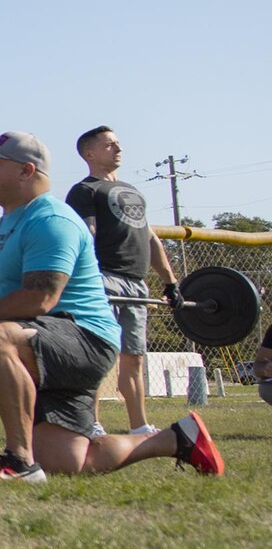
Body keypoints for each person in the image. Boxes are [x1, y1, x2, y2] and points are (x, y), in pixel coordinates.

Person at [0, 131, 222, 481]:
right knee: (70, 461)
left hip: (86, 339)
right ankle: (178, 438)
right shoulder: (1, 227)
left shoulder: (52, 221)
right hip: (48, 339)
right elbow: (5, 303)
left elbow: (41, 297)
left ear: (26, 171)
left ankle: (19, 462)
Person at [65, 125, 181, 435]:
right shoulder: (84, 190)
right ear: (89, 153)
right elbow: (83, 236)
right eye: (109, 145)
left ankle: (139, 427)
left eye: (118, 143)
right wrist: (82, 279)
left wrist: (170, 282)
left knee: (134, 359)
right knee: (95, 356)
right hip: (102, 280)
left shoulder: (133, 192)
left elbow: (151, 237)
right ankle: (92, 425)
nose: (118, 148)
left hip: (136, 284)